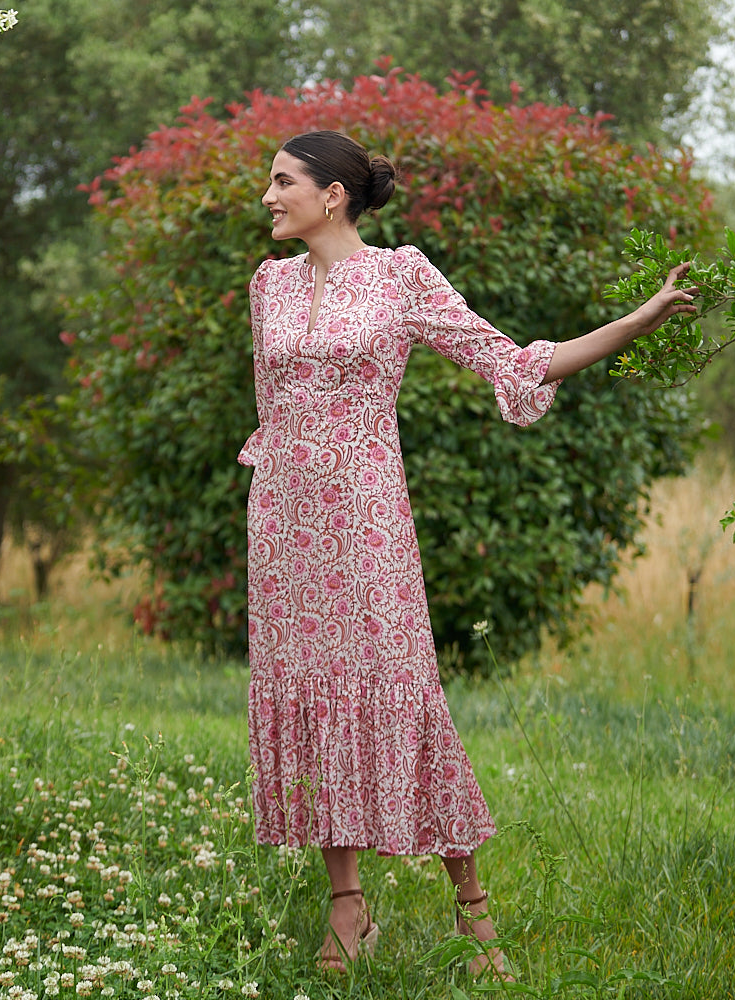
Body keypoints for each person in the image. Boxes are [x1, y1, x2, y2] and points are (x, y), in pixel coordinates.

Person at [238, 129, 696, 978]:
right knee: (312, 696)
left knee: (399, 692)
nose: (268, 196)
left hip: (367, 524)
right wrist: (276, 499)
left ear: (331, 194)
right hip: (283, 528)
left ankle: (473, 909)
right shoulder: (268, 285)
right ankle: (348, 905)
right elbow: (272, 409)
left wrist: (636, 320)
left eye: (281, 181)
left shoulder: (402, 275)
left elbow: (511, 360)